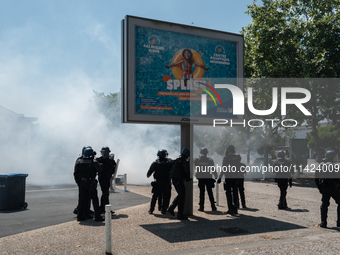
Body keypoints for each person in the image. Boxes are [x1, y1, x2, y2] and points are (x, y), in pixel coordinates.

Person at [74, 147, 104, 221]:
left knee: (81, 200)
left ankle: (80, 216)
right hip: (91, 183)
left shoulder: (79, 161)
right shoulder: (93, 162)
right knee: (94, 200)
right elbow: (100, 170)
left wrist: (79, 183)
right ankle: (97, 216)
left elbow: (75, 174)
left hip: (82, 183)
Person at [315, 150, 340, 228]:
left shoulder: (321, 165)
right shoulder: (334, 166)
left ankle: (323, 222)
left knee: (324, 205)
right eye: (334, 157)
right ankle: (339, 222)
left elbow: (316, 178)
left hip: (324, 188)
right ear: (331, 157)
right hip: (333, 188)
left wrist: (320, 189)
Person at [147, 149, 173, 215]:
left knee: (155, 196)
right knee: (165, 196)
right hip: (167, 182)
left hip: (158, 182)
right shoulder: (169, 162)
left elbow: (148, 174)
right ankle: (163, 210)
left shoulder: (155, 163)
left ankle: (151, 209)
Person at [167, 149, 191, 220]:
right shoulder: (184, 162)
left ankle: (171, 208)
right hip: (179, 180)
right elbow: (187, 172)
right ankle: (179, 214)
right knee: (182, 196)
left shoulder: (176, 160)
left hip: (175, 179)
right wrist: (188, 178)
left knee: (181, 195)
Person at [217, 145, 240, 215]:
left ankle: (230, 209)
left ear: (228, 151)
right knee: (235, 193)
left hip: (229, 178)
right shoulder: (237, 157)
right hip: (236, 177)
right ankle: (236, 209)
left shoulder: (226, 158)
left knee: (228, 193)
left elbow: (224, 168)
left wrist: (220, 177)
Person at [194, 147, 217, 212]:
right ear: (207, 153)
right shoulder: (210, 160)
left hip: (201, 178)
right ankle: (213, 207)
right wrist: (216, 176)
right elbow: (213, 169)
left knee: (201, 193)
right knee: (210, 193)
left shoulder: (197, 160)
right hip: (208, 178)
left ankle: (201, 207)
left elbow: (194, 168)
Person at [96, 147, 117, 214]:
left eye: (106, 152)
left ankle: (104, 208)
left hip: (108, 178)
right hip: (102, 178)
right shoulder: (99, 160)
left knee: (106, 193)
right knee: (105, 193)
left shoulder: (111, 160)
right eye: (103, 152)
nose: (105, 154)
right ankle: (103, 208)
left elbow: (114, 168)